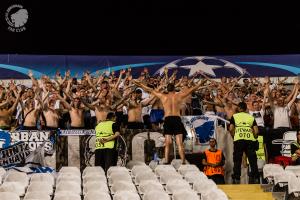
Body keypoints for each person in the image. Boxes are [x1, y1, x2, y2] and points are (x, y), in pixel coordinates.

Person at [134, 79, 206, 164]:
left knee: (168, 142)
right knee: (179, 143)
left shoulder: (163, 96)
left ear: (167, 90)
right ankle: (183, 161)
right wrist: (201, 83)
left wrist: (141, 85)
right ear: (174, 89)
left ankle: (167, 160)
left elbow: (150, 90)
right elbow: (192, 89)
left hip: (168, 119)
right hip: (176, 119)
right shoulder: (179, 95)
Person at [229, 102, 259, 184]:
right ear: (246, 109)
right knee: (252, 160)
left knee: (237, 160)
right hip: (250, 140)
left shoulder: (234, 116)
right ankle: (256, 178)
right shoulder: (251, 117)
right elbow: (256, 131)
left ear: (238, 108)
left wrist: (234, 137)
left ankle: (236, 178)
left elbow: (231, 129)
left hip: (239, 140)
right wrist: (255, 137)